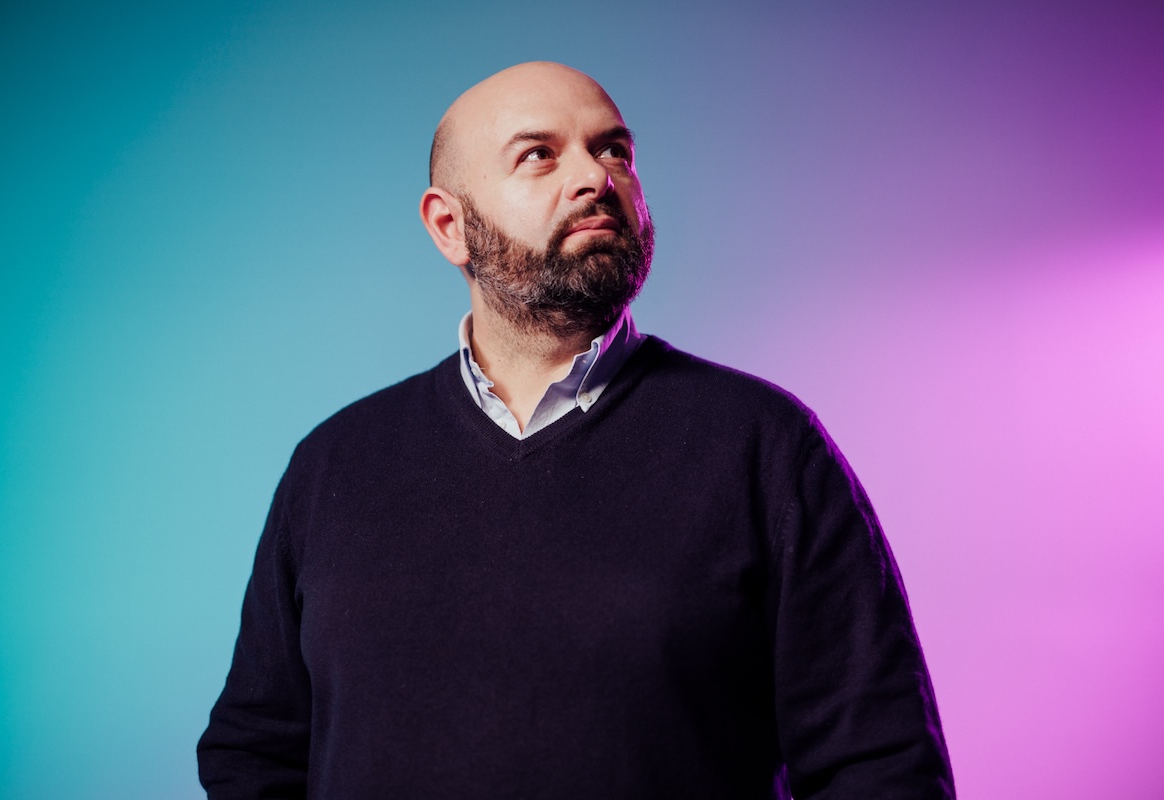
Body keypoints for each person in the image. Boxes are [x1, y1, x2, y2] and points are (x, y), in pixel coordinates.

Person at [198, 61, 955, 798]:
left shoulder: (765, 445)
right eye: (539, 155)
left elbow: (881, 764)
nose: (597, 178)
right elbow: (255, 753)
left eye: (614, 150)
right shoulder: (336, 465)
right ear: (449, 226)